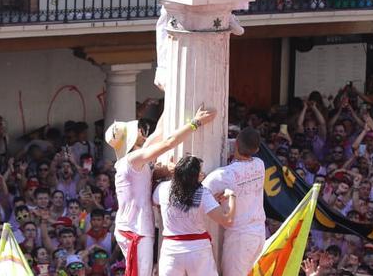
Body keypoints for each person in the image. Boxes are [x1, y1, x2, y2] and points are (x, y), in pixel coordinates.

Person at [105, 105, 217, 276]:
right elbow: (167, 143)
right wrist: (196, 123)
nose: (142, 133)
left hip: (136, 227)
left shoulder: (134, 158)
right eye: (139, 131)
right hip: (135, 229)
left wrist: (167, 100)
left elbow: (160, 132)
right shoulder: (133, 159)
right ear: (133, 139)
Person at [153, 155, 236, 276]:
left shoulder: (162, 188)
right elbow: (227, 220)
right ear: (195, 176)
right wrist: (232, 196)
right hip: (199, 251)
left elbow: (156, 201)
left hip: (171, 251)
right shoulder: (203, 193)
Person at [202, 127, 266, 276]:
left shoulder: (224, 175)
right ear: (257, 149)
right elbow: (244, 147)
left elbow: (199, 194)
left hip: (240, 238)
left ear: (236, 143)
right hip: (258, 234)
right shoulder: (260, 164)